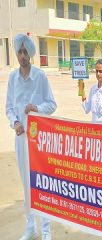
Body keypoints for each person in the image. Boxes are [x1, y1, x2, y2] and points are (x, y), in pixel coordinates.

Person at [6, 33, 57, 240]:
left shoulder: (40, 77)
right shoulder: (12, 78)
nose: (22, 55)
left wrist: (37, 108)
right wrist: (15, 122)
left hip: (39, 141)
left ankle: (46, 230)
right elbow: (9, 107)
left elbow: (52, 105)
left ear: (31, 54)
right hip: (21, 139)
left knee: (41, 182)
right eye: (19, 51)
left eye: (25, 51)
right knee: (26, 183)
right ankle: (30, 226)